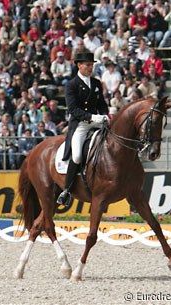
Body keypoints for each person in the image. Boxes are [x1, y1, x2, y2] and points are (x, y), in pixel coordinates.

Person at [57, 52, 109, 205]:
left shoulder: (96, 83)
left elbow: (102, 105)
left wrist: (105, 115)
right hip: (80, 124)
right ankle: (66, 190)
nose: (90, 68)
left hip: (97, 121)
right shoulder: (71, 85)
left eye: (91, 65)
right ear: (79, 65)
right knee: (78, 155)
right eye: (87, 65)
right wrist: (92, 117)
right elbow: (72, 109)